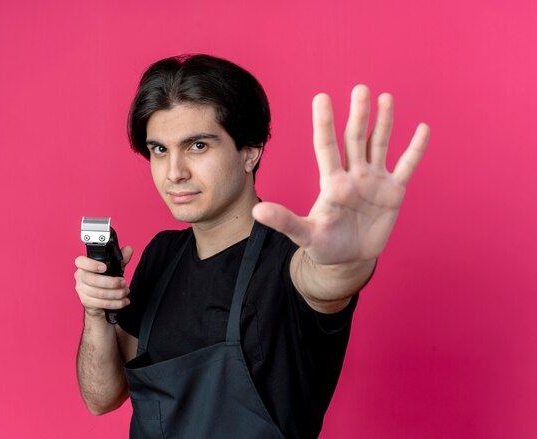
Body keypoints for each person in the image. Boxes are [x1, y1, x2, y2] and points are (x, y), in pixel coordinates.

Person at [74, 54, 430, 438]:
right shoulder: (161, 254)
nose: (174, 172)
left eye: (197, 146)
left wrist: (346, 261)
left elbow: (324, 281)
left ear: (250, 151)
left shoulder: (289, 257)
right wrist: (96, 313)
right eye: (160, 150)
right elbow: (101, 398)